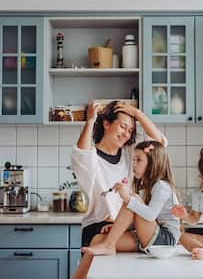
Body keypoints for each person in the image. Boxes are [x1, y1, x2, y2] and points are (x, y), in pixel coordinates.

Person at [71, 102, 167, 279]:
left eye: (130, 130)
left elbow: (159, 144)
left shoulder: (130, 154)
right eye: (123, 126)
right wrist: (91, 119)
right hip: (99, 228)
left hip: (126, 229)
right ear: (106, 124)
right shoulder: (92, 158)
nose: (126, 134)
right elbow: (80, 152)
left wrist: (137, 113)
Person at [75, 141, 180, 278]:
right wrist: (118, 228)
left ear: (153, 163)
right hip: (149, 237)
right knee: (96, 240)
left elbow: (150, 215)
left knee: (133, 199)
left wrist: (127, 198)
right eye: (133, 160)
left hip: (166, 241)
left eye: (139, 160)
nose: (134, 164)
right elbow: (140, 218)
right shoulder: (147, 187)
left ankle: (109, 245)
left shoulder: (162, 186)